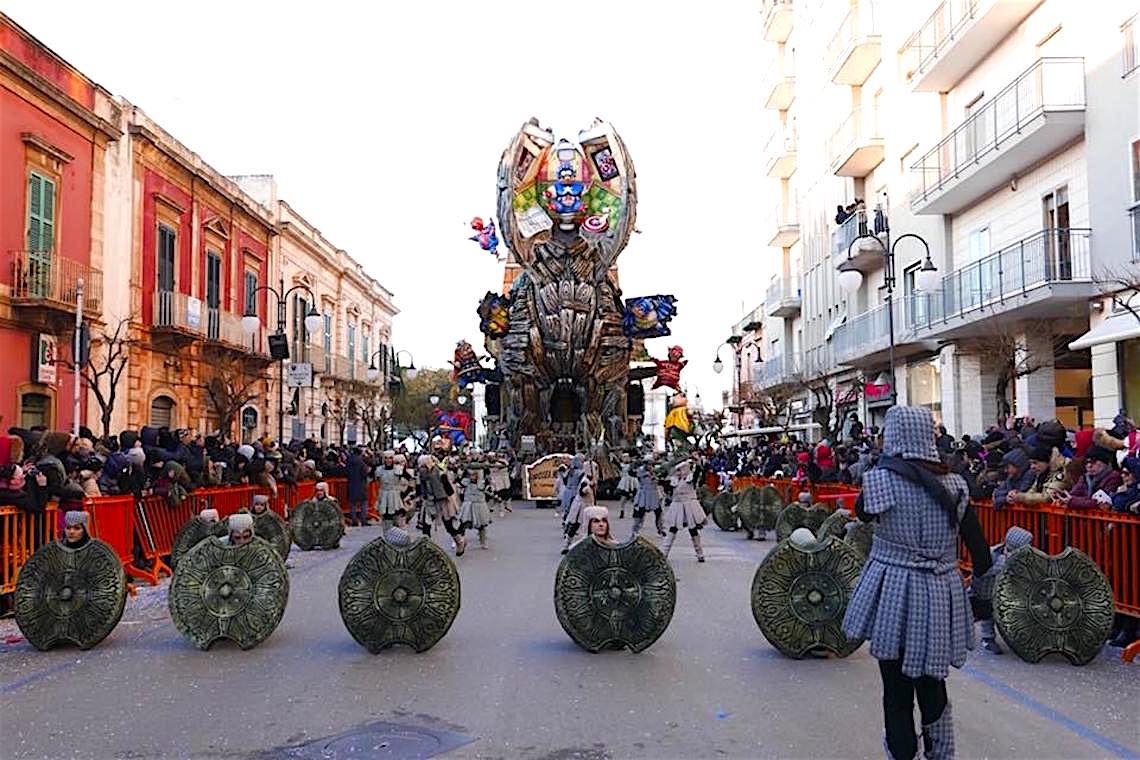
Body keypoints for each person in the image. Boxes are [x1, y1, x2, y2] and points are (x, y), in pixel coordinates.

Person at [842, 406, 992, 760]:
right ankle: (941, 752)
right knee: (932, 684)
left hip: (892, 591)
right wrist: (979, 601)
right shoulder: (956, 486)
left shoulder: (879, 480)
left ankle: (902, 752)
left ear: (893, 435)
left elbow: (863, 513)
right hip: (940, 593)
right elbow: (982, 558)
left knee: (895, 691)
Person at [968, 526, 1034, 654]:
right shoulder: (992, 554)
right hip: (983, 591)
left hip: (1004, 593)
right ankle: (987, 639)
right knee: (983, 612)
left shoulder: (1022, 559)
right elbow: (982, 573)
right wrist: (1005, 562)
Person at [660, 458, 707, 562]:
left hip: (689, 506)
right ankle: (664, 553)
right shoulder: (674, 480)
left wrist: (697, 463)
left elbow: (698, 472)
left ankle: (700, 554)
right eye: (680, 469)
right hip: (677, 506)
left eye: (683, 469)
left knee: (693, 530)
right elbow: (664, 483)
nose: (681, 471)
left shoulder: (691, 479)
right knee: (673, 529)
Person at [1058, 445, 1123, 510]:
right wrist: (1061, 496)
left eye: (1093, 461)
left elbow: (1099, 503)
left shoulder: (1114, 478)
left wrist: (1073, 501)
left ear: (1104, 462)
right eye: (1086, 462)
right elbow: (1072, 495)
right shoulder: (1085, 478)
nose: (1089, 465)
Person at [458, 464, 493, 549]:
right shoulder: (465, 481)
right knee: (464, 523)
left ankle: (483, 541)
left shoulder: (483, 482)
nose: (472, 476)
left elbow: (489, 492)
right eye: (471, 474)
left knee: (482, 525)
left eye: (474, 474)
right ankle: (459, 540)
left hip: (479, 505)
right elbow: (460, 486)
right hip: (468, 504)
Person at [561, 473, 596, 554]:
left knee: (587, 527)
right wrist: (588, 487)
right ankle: (567, 545)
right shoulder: (585, 481)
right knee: (575, 526)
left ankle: (589, 546)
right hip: (581, 508)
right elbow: (582, 492)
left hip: (586, 507)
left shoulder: (588, 480)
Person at [630, 460, 665, 538]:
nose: (650, 466)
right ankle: (635, 531)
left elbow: (659, 479)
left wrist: (655, 476)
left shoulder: (654, 471)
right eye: (648, 464)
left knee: (658, 512)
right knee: (640, 513)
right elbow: (634, 473)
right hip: (644, 494)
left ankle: (660, 529)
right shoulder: (641, 471)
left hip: (653, 494)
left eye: (651, 465)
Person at [375, 451, 405, 525]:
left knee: (395, 517)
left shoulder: (398, 469)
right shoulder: (379, 470)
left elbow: (408, 480)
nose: (388, 460)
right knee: (385, 518)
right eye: (386, 458)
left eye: (390, 458)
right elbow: (375, 480)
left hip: (394, 495)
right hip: (383, 494)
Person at [345, 447, 369, 527]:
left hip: (351, 484)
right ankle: (363, 520)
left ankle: (354, 520)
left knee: (352, 504)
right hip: (361, 484)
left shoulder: (348, 461)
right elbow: (365, 473)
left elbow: (346, 472)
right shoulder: (361, 462)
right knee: (364, 503)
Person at [615, 454, 638, 520]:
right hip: (625, 483)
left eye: (627, 457)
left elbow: (634, 470)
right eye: (624, 457)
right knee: (623, 498)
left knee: (635, 498)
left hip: (632, 482)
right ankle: (622, 511)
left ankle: (635, 511)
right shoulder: (621, 465)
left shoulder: (632, 464)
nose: (626, 459)